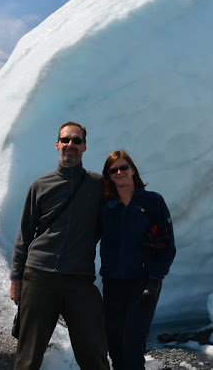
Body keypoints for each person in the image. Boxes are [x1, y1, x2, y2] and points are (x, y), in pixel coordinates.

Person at [9, 121, 109, 370]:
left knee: (94, 354)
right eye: (65, 140)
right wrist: (16, 279)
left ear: (85, 146)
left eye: (76, 140)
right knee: (28, 357)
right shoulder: (40, 186)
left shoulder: (98, 185)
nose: (70, 145)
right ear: (57, 145)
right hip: (39, 276)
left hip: (79, 278)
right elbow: (24, 234)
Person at [100, 149, 176, 370]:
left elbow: (168, 246)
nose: (120, 172)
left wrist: (154, 281)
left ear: (133, 169)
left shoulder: (153, 202)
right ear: (109, 176)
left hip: (143, 282)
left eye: (124, 167)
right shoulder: (106, 206)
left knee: (132, 345)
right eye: (114, 170)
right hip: (112, 283)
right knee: (114, 346)